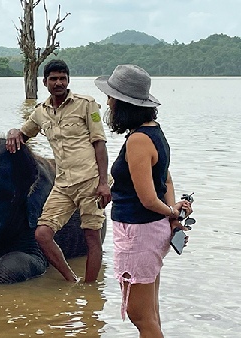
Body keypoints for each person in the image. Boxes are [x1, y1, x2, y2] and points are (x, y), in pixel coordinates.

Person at [94, 65, 192, 336]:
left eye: (112, 98)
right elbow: (166, 181)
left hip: (138, 232)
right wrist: (172, 216)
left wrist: (170, 210)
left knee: (140, 314)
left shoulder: (137, 140)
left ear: (125, 104)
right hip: (150, 230)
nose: (108, 103)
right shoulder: (155, 132)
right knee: (150, 312)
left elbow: (148, 199)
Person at [6, 59, 111, 283]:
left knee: (92, 238)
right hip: (62, 185)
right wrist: (13, 131)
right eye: (53, 79)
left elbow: (99, 143)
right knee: (42, 234)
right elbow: (24, 135)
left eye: (63, 78)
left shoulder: (86, 104)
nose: (59, 83)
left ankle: (90, 289)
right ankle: (72, 280)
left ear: (68, 80)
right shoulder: (41, 112)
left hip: (90, 181)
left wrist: (103, 182)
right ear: (45, 82)